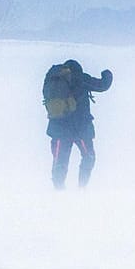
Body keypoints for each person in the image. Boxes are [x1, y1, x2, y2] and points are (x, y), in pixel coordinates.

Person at [43, 58, 113, 189]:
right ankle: (82, 189)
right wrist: (107, 73)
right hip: (81, 129)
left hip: (59, 130)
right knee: (89, 157)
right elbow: (103, 85)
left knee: (60, 163)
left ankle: (58, 194)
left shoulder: (52, 80)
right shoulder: (81, 79)